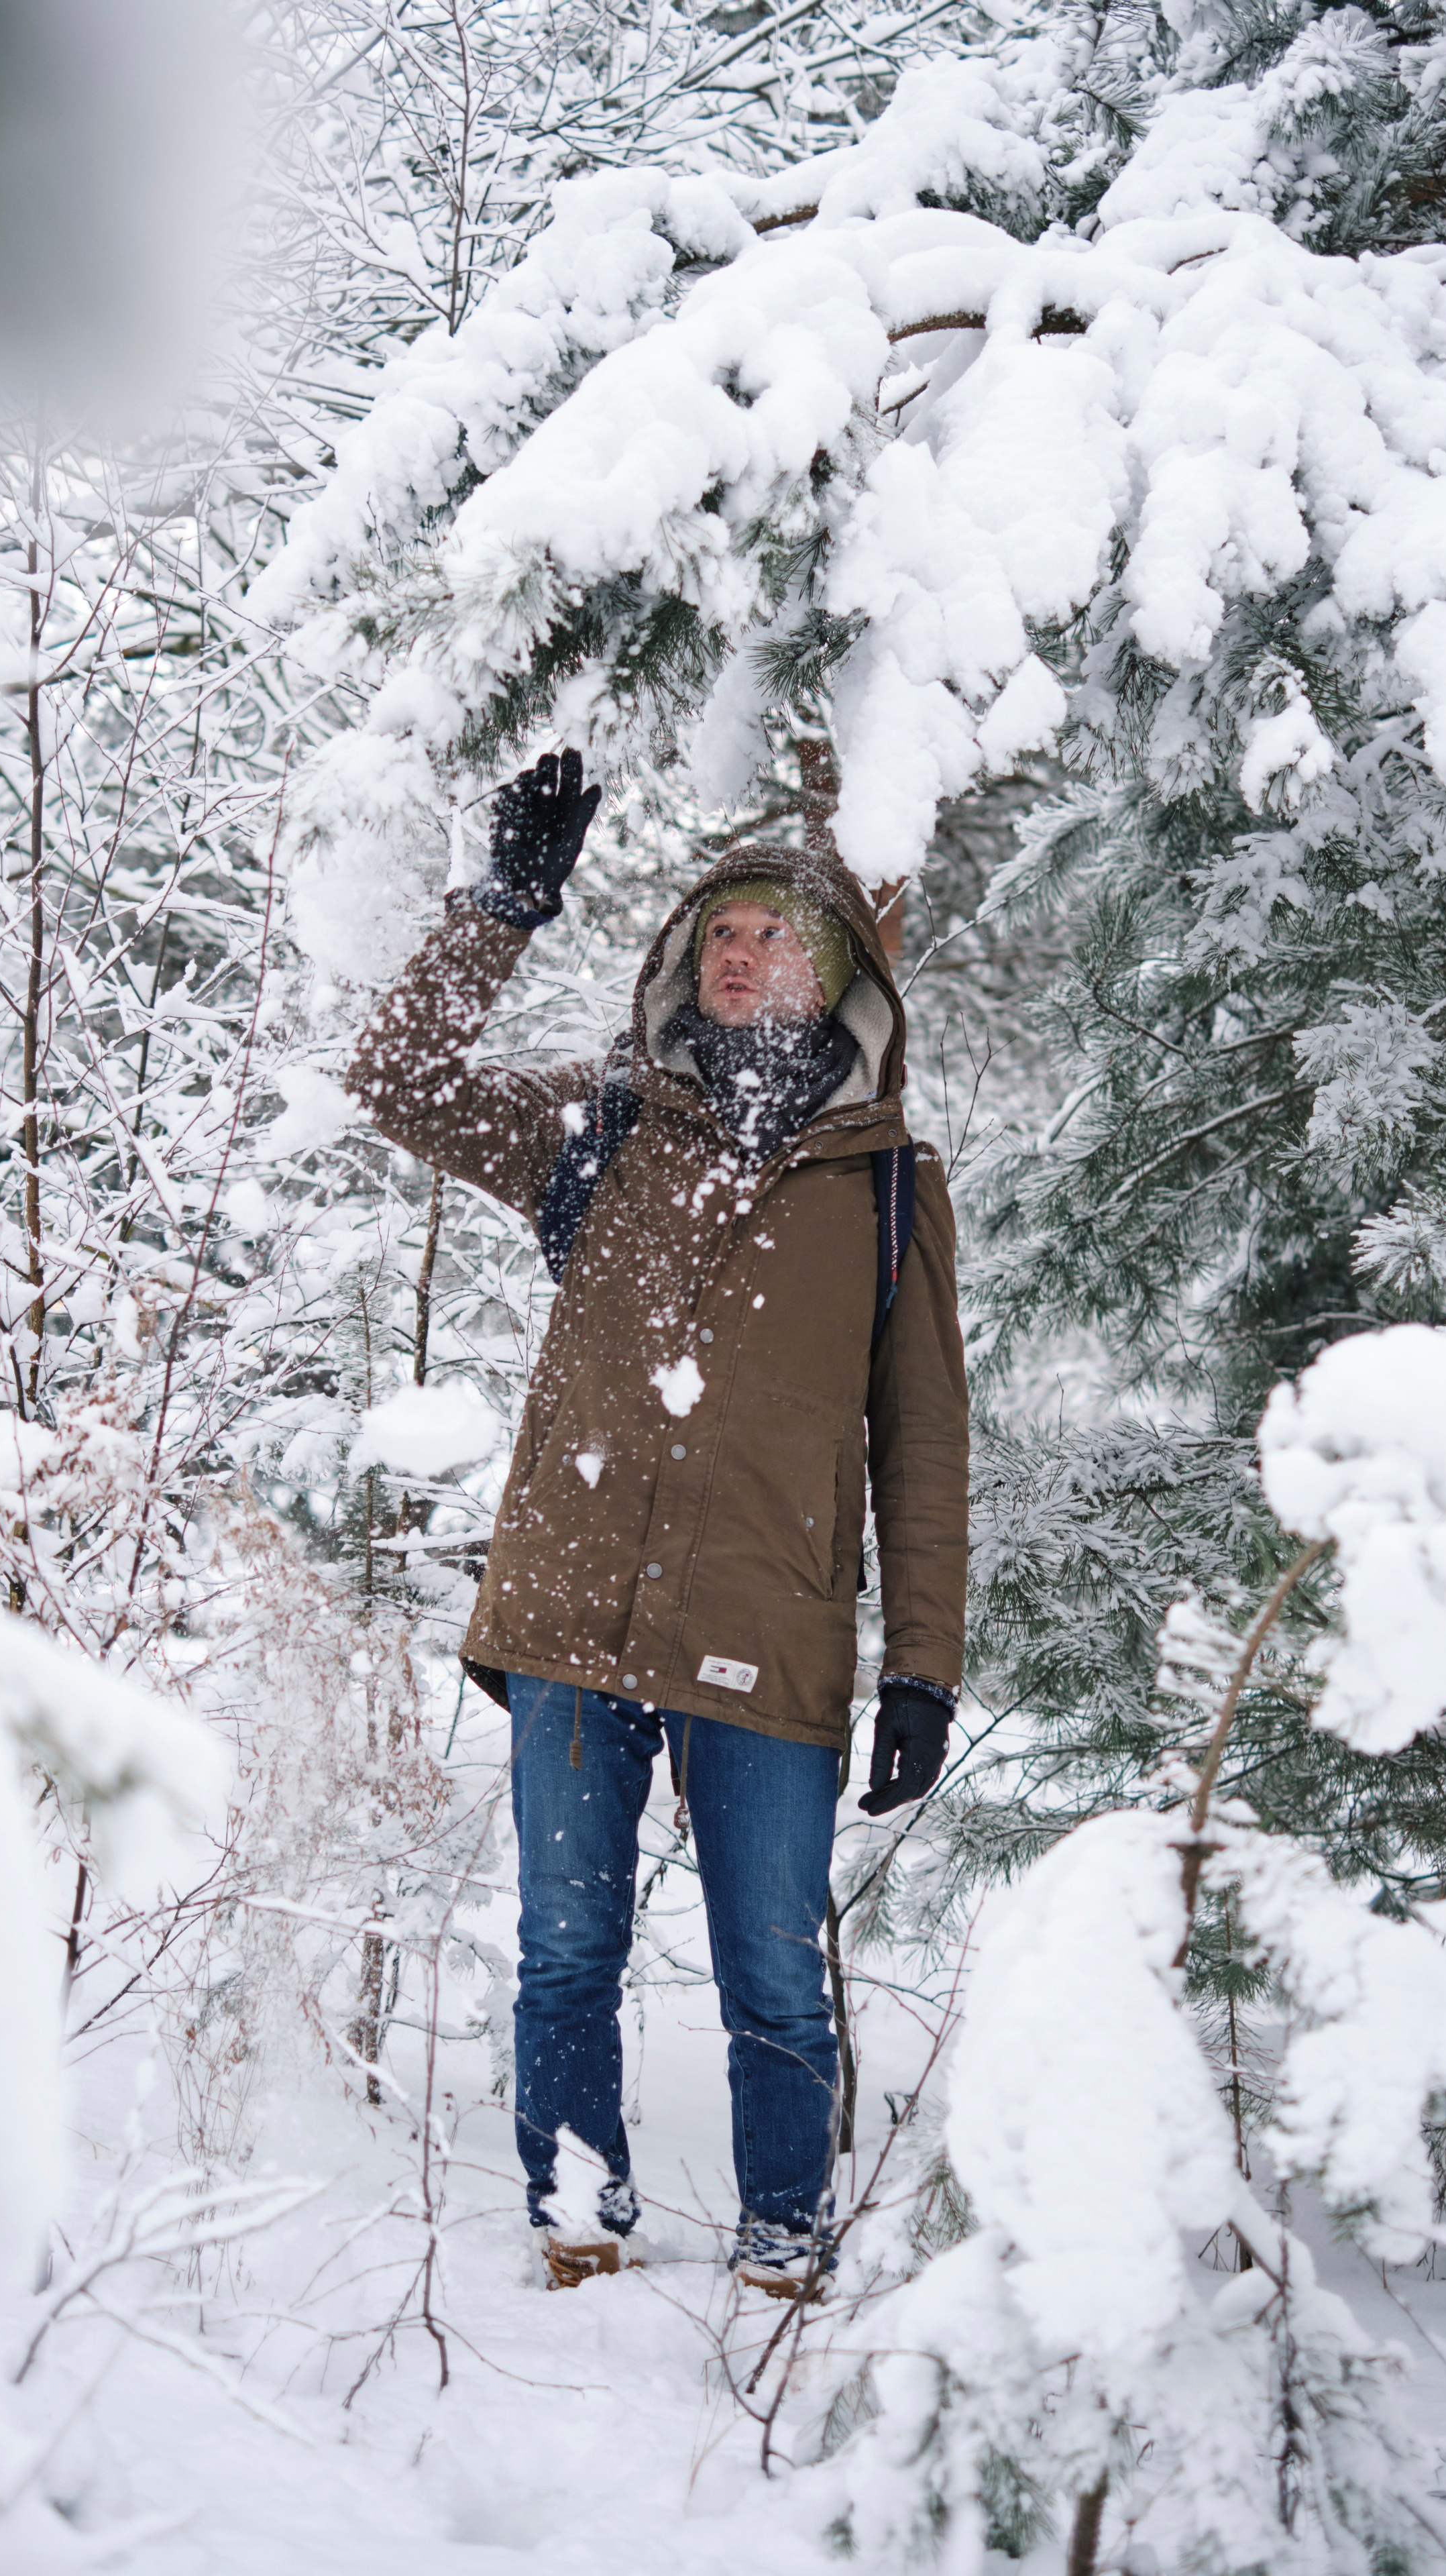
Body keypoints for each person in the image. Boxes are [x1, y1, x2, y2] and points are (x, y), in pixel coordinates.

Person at [347, 751, 969, 2298]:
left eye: (770, 932)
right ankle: (573, 2214)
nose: (734, 950)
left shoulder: (884, 1191)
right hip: (574, 1613)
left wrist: (923, 1669)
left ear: (837, 980)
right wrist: (502, 903)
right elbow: (400, 1077)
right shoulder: (603, 1129)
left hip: (770, 1625)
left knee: (771, 1967)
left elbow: (926, 1445)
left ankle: (779, 2235)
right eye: (715, 932)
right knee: (566, 1949)